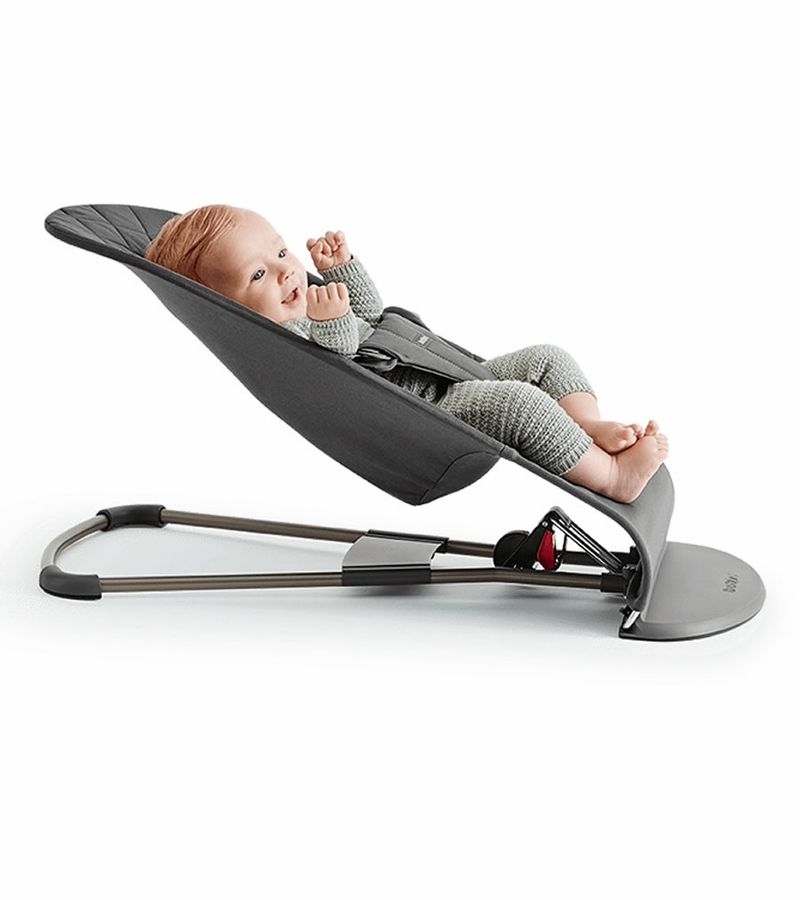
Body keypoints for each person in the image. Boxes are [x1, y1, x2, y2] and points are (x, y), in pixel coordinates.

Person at [145, 205, 668, 503]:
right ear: (224, 305)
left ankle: (586, 426)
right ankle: (612, 477)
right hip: (435, 407)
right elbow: (338, 357)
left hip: (449, 372)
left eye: (281, 252)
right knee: (520, 404)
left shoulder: (306, 302)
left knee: (547, 358)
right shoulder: (284, 337)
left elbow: (370, 317)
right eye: (258, 274)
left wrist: (342, 270)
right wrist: (332, 323)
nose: (286, 271)